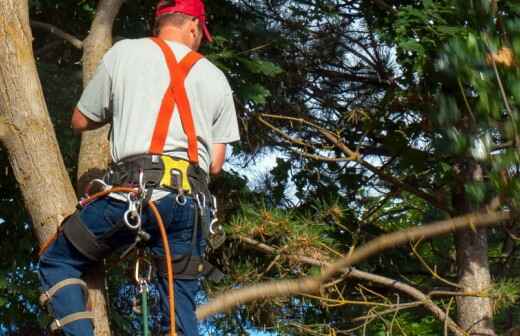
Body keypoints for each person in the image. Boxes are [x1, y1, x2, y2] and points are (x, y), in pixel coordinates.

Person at [38, 0, 240, 335]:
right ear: (193, 25)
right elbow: (216, 164)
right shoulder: (217, 78)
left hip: (132, 194)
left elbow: (80, 119)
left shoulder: (125, 53)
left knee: (58, 261)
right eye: (200, 33)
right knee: (179, 314)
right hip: (190, 208)